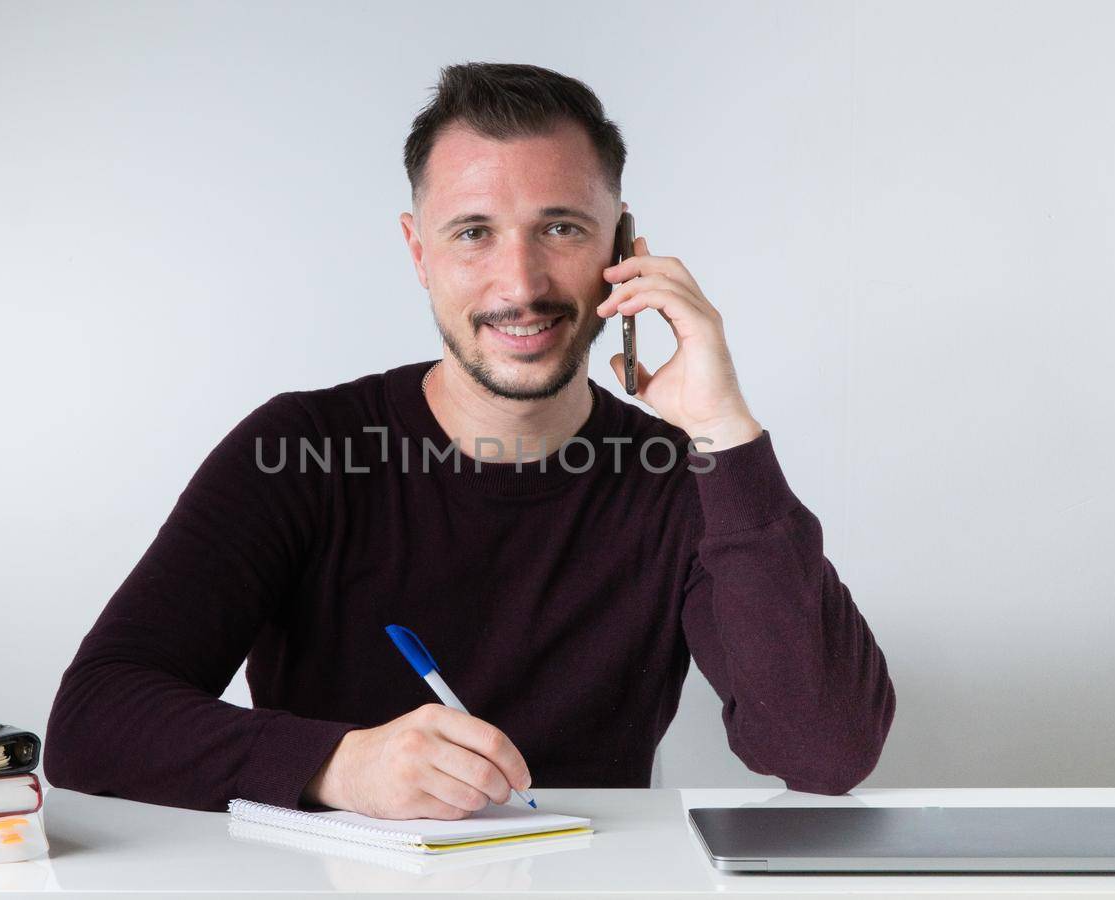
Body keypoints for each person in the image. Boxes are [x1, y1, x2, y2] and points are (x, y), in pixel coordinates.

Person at [44, 61, 895, 821]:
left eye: (560, 228)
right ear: (419, 252)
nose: (519, 285)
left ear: (625, 248)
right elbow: (93, 720)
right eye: (473, 232)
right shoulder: (298, 449)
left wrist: (724, 431)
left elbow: (824, 752)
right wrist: (339, 765)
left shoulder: (684, 474)